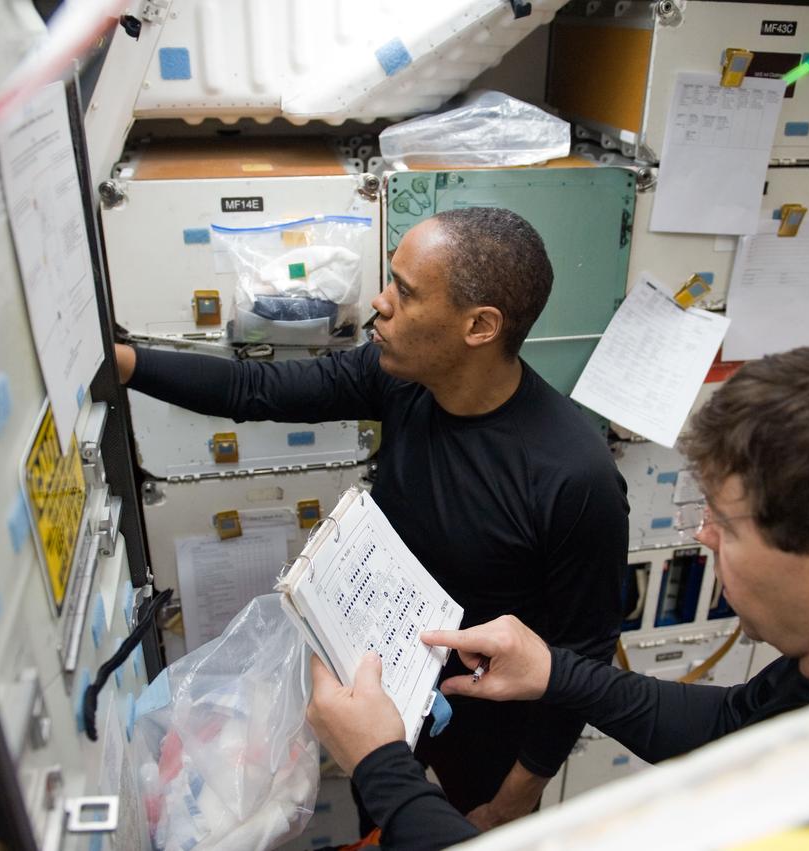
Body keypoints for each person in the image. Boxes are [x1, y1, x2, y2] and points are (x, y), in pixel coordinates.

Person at [307, 340, 809, 849]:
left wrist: (381, 763)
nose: (703, 535)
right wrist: (555, 669)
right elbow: (732, 723)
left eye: (726, 522)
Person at [115, 207, 628, 827]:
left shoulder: (574, 477)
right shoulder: (402, 379)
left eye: (405, 293)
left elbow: (584, 655)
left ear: (480, 326)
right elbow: (256, 391)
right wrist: (126, 365)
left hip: (492, 732)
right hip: (383, 698)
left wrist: (517, 795)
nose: (378, 304)